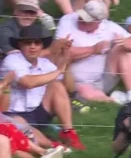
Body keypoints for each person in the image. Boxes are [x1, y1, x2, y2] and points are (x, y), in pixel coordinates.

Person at [0, 23, 85, 151]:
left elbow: (69, 89)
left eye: (37, 43)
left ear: (42, 46)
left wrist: (66, 62)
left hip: (39, 111)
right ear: (21, 45)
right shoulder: (12, 60)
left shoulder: (45, 63)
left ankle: (68, 132)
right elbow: (27, 82)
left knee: (56, 86)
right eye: (28, 43)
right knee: (19, 123)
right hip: (13, 113)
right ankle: (52, 146)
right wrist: (58, 71)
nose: (33, 46)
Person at [56, 0, 131, 104]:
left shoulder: (109, 27)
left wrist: (124, 42)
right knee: (84, 93)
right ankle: (115, 100)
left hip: (103, 77)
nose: (81, 20)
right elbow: (59, 52)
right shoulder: (67, 20)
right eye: (81, 16)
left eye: (86, 20)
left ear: (98, 21)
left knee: (122, 50)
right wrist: (93, 49)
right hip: (77, 83)